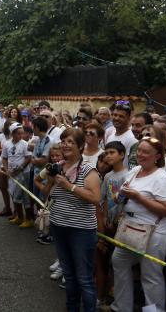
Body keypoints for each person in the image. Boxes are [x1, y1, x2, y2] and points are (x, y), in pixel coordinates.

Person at [34, 128, 101, 312]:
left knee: (84, 278)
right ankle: (71, 308)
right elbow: (45, 191)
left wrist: (69, 186)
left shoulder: (89, 169)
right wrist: (48, 182)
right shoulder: (57, 166)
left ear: (80, 146)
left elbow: (95, 198)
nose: (65, 145)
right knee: (69, 275)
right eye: (63, 141)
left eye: (70, 142)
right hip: (58, 226)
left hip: (81, 230)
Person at [110, 137, 166, 312]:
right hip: (130, 228)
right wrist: (119, 196)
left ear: (157, 156)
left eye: (146, 152)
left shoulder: (161, 178)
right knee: (118, 261)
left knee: (151, 275)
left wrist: (138, 197)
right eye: (139, 150)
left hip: (154, 232)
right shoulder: (135, 170)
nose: (140, 154)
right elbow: (122, 194)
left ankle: (154, 310)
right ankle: (122, 307)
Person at [96, 141, 128, 306]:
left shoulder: (127, 175)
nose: (108, 156)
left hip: (121, 226)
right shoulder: (108, 176)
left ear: (122, 154)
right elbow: (104, 200)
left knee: (117, 262)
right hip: (108, 224)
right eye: (106, 153)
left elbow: (126, 203)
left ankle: (114, 296)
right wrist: (105, 218)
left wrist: (117, 220)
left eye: (112, 152)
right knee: (104, 258)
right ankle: (102, 295)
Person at [0, 122, 33, 228]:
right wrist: (7, 170)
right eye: (18, 133)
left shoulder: (24, 144)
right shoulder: (7, 144)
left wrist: (21, 168)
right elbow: (4, 158)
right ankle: (19, 217)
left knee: (25, 196)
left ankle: (28, 219)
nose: (21, 136)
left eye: (22, 133)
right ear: (12, 133)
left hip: (23, 174)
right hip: (12, 175)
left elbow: (28, 158)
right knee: (14, 195)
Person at [105, 100, 136, 167]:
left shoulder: (132, 138)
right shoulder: (110, 136)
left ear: (128, 118)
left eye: (121, 116)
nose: (116, 118)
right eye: (115, 115)